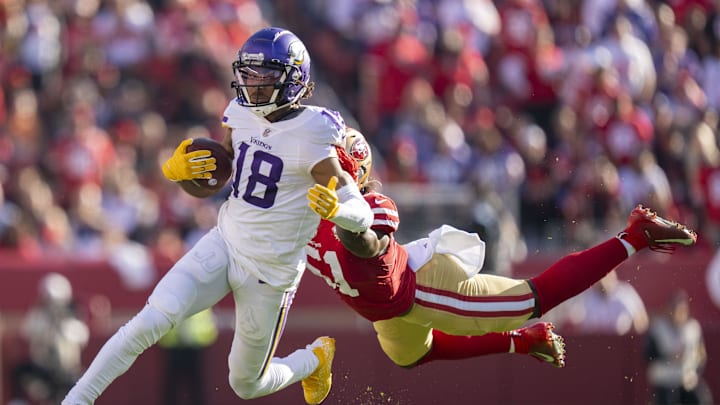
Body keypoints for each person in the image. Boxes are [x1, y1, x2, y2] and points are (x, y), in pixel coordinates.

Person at [63, 27, 374, 405]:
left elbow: (359, 208)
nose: (254, 83)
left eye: (266, 75)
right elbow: (224, 165)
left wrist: (342, 211)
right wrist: (182, 173)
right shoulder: (239, 111)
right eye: (249, 73)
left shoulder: (314, 131)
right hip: (225, 242)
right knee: (150, 321)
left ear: (294, 80)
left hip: (270, 274)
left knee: (246, 385)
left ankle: (312, 360)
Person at [305, 128, 697, 370]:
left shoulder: (373, 206)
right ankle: (524, 341)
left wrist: (345, 217)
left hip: (419, 287)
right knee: (409, 356)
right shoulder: (296, 210)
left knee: (532, 300)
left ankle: (635, 236)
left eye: (334, 167)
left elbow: (365, 241)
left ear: (354, 173)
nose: (325, 173)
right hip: (386, 308)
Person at [12, 273, 89, 404]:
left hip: (66, 371)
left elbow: (81, 337)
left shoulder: (72, 318)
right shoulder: (38, 315)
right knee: (21, 373)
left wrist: (62, 324)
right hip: (42, 368)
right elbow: (26, 331)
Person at [644, 290, 713, 405]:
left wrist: (695, 372)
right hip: (665, 381)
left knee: (701, 399)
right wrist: (669, 357)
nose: (678, 313)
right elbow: (648, 355)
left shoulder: (693, 329)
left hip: (686, 379)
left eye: (682, 310)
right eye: (675, 309)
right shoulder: (658, 329)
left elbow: (701, 355)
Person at [562, 270, 649, 335]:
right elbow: (574, 323)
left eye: (606, 276)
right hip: (593, 345)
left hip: (621, 345)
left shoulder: (625, 293)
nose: (603, 281)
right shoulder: (586, 296)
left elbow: (641, 321)